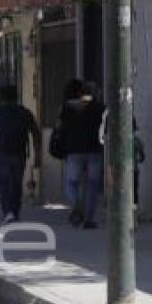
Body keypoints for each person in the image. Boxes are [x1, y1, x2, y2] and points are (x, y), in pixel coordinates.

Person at [0, 85, 41, 225]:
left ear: (1, 97)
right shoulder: (25, 112)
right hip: (20, 153)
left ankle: (8, 212)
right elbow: (36, 133)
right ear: (16, 96)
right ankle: (15, 211)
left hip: (2, 153)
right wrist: (37, 155)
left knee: (4, 184)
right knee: (16, 183)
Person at [58, 81, 105, 229]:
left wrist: (63, 147)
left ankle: (76, 205)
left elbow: (61, 128)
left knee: (72, 182)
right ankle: (89, 219)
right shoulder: (101, 108)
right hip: (94, 150)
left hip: (73, 150)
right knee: (92, 185)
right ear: (95, 93)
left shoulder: (68, 107)